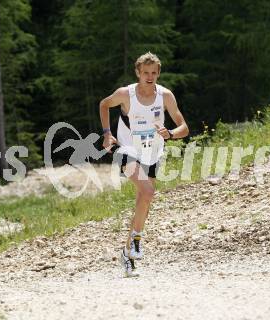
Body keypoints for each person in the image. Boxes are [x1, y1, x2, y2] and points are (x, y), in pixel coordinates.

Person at [99, 52, 189, 277]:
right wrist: (107, 133)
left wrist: (170, 134)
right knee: (148, 191)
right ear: (138, 73)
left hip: (153, 152)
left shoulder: (166, 96)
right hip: (127, 150)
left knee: (144, 199)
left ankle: (127, 253)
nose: (150, 77)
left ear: (158, 73)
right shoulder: (125, 94)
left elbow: (184, 127)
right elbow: (104, 104)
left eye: (154, 73)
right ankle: (137, 239)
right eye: (145, 73)